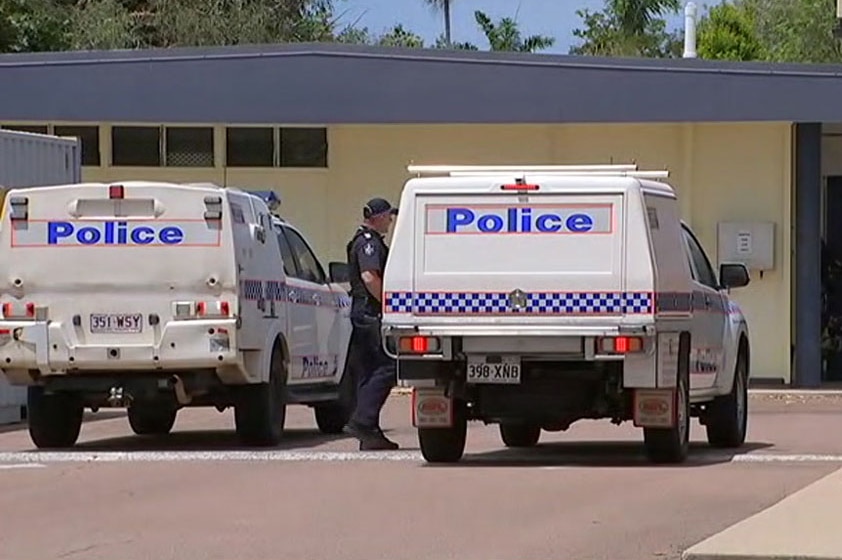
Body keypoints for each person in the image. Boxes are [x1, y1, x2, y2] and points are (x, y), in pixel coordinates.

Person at [342, 197, 400, 450]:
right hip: (370, 313)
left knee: (367, 370)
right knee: (388, 365)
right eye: (388, 215)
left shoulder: (364, 240)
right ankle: (363, 421)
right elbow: (369, 276)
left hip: (361, 312)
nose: (390, 220)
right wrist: (390, 304)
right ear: (377, 217)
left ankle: (369, 432)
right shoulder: (368, 243)